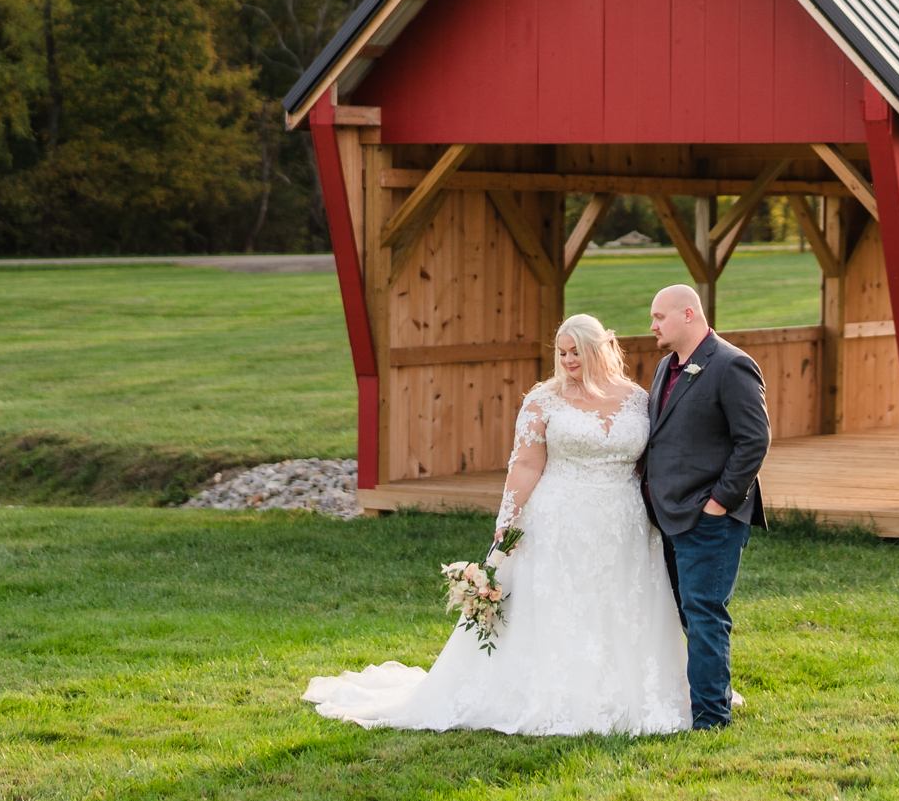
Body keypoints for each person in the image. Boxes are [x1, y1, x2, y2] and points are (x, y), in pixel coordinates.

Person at [300, 314, 691, 735]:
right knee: (562, 606)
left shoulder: (636, 398)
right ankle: (557, 695)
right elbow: (524, 463)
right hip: (560, 519)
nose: (568, 359)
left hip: (625, 522)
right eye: (562, 352)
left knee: (624, 603)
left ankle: (628, 692)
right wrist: (507, 520)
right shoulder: (545, 400)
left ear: (601, 347)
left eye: (576, 351)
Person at [642, 283, 770, 730]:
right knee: (687, 613)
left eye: (660, 316)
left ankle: (712, 718)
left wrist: (719, 503)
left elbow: (754, 440)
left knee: (705, 615)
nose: (653, 325)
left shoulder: (731, 365)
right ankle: (708, 702)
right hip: (671, 516)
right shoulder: (665, 367)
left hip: (710, 519)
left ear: (689, 314)